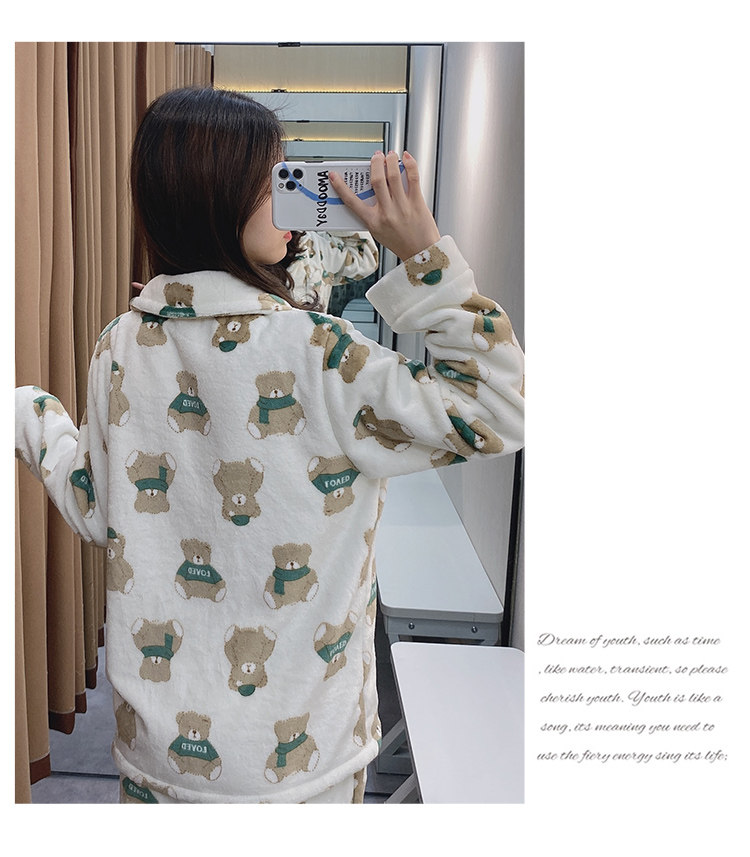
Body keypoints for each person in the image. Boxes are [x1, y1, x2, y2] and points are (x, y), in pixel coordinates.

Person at [15, 86, 524, 804]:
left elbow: (98, 509)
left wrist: (31, 413)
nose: (292, 207)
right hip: (307, 764)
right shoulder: (325, 354)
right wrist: (424, 256)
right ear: (214, 197)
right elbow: (497, 407)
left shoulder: (120, 346)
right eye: (276, 182)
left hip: (161, 759)